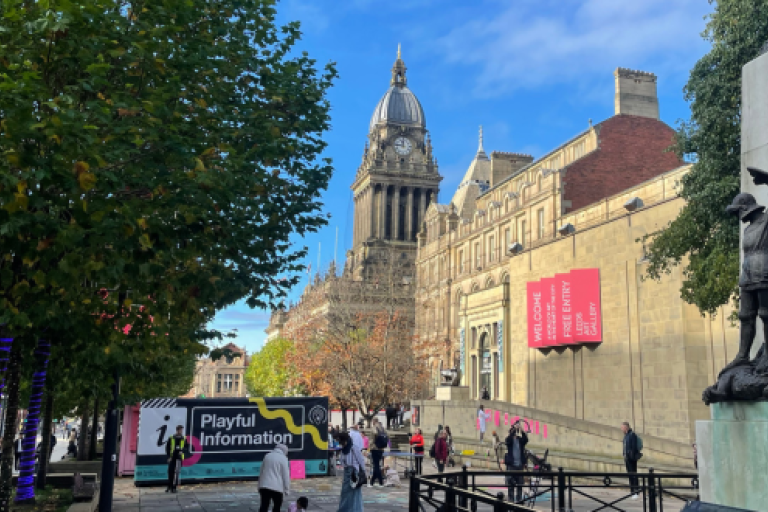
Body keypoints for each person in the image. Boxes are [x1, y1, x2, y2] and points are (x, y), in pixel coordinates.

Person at [336, 431, 366, 512]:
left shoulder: (354, 448)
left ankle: (355, 510)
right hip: (347, 471)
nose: (342, 444)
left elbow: (360, 460)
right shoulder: (344, 449)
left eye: (343, 442)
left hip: (354, 471)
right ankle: (344, 509)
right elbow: (342, 461)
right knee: (345, 492)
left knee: (354, 493)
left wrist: (363, 471)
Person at [258, 444, 291, 512]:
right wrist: (287, 489)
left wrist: (259, 485)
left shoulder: (267, 456)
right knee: (277, 506)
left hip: (264, 485)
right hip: (277, 487)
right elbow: (285, 475)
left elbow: (261, 471)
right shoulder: (283, 459)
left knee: (264, 505)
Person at [505, 421, 529, 503]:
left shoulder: (520, 440)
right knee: (511, 484)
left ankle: (519, 500)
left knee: (520, 484)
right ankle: (511, 501)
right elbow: (507, 441)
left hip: (519, 465)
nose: (516, 433)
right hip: (511, 465)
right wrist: (513, 430)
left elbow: (526, 440)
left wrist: (522, 430)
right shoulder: (509, 440)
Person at [165, 425, 187, 493]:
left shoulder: (184, 438)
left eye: (182, 430)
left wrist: (182, 451)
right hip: (172, 457)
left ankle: (173, 487)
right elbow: (167, 448)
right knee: (170, 471)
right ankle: (169, 485)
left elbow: (186, 447)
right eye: (180, 430)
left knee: (176, 472)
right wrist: (168, 457)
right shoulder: (171, 437)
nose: (181, 431)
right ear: (177, 430)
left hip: (179, 457)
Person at [621, 422, 640, 499]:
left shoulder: (632, 435)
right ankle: (632, 491)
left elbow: (634, 447)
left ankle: (636, 491)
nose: (621, 429)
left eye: (622, 428)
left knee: (634, 474)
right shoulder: (626, 436)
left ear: (626, 427)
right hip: (627, 458)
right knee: (630, 475)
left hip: (631, 458)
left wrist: (631, 455)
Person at [368, 418, 386, 487]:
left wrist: (369, 448)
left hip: (374, 448)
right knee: (377, 465)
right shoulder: (383, 428)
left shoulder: (374, 428)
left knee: (376, 466)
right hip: (381, 449)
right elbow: (387, 437)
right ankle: (372, 482)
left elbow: (372, 439)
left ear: (374, 421)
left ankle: (381, 482)